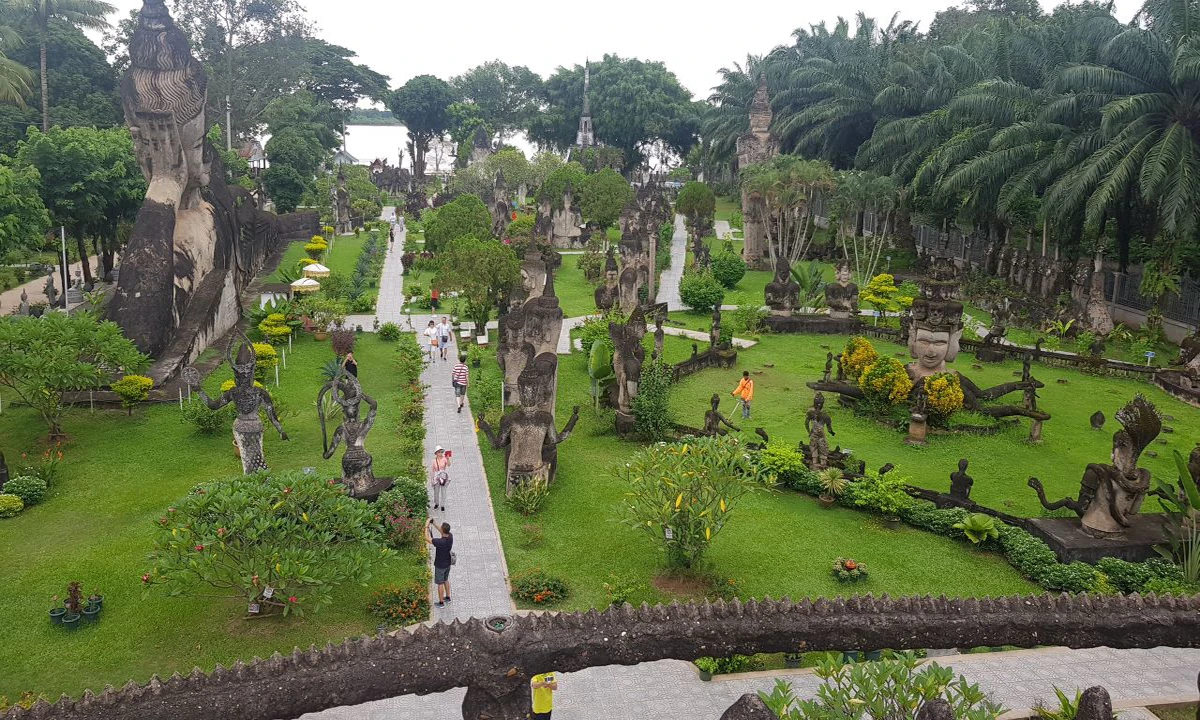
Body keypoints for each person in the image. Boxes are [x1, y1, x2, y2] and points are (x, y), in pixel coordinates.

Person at [426, 518, 453, 608]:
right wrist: (433, 523)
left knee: (440, 583)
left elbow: (427, 538)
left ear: (443, 530)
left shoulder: (440, 542)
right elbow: (442, 531)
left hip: (440, 565)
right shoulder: (450, 536)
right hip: (448, 563)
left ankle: (441, 603)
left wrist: (426, 526)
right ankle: (448, 597)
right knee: (446, 579)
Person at [429, 445, 451, 512]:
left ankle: (442, 505)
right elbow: (432, 470)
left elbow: (449, 465)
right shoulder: (434, 461)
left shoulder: (444, 458)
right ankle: (436, 503)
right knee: (436, 491)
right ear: (436, 453)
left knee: (443, 491)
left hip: (443, 476)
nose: (440, 453)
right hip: (436, 477)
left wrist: (447, 458)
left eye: (441, 452)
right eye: (439, 452)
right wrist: (432, 479)